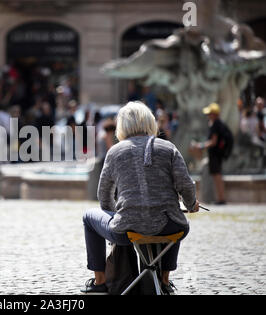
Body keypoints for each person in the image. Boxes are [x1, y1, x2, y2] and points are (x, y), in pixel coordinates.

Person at [81, 101, 199, 295]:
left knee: (88, 217)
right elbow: (185, 185)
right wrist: (191, 204)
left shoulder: (115, 152)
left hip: (127, 229)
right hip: (170, 225)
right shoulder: (168, 148)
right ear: (150, 122)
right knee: (176, 215)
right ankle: (164, 280)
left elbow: (104, 195)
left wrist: (116, 214)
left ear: (122, 126)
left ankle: (99, 281)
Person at [192, 103, 228, 205]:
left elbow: (213, 142)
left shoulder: (215, 124)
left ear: (214, 114)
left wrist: (201, 146)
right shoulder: (217, 123)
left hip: (215, 154)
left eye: (210, 114)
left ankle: (221, 199)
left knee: (217, 176)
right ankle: (221, 198)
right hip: (218, 154)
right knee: (217, 175)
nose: (208, 116)